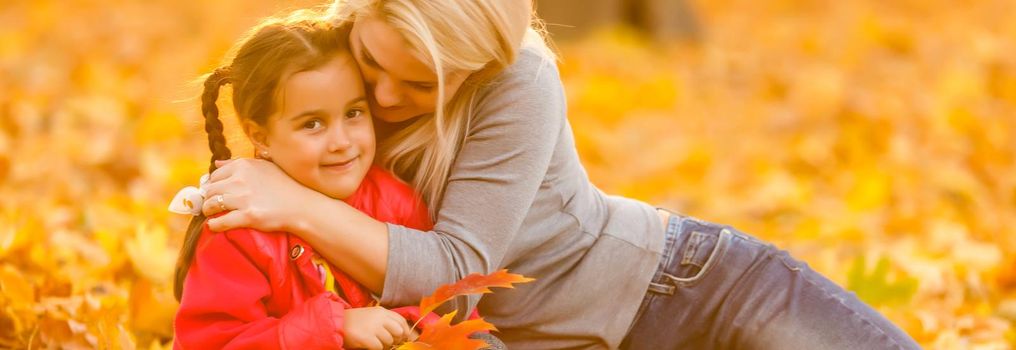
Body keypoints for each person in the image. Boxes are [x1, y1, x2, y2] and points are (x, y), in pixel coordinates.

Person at [199, 0, 921, 348]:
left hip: (677, 291)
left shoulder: (519, 83)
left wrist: (290, 202)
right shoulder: (332, 72)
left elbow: (456, 265)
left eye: (420, 87)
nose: (383, 102)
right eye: (374, 68)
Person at [170, 11, 441, 349]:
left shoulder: (395, 201)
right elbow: (213, 342)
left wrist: (408, 326)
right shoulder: (238, 233)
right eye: (313, 124)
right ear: (261, 137)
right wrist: (336, 326)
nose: (341, 141)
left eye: (353, 113)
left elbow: (446, 300)